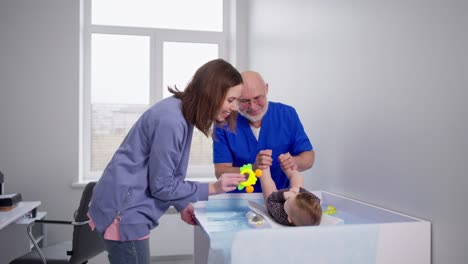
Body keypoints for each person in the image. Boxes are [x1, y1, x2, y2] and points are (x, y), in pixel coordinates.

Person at [88, 59, 247, 264]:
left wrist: (182, 204)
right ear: (212, 92)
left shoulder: (179, 111)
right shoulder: (172, 120)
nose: (234, 108)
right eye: (231, 100)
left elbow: (164, 173)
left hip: (123, 205)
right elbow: (162, 185)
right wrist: (214, 188)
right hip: (124, 212)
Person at [213, 70, 314, 193]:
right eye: (244, 101)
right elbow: (220, 171)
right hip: (239, 199)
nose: (253, 106)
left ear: (266, 89)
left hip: (283, 199)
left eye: (257, 98)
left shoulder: (287, 114)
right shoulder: (224, 122)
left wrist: (294, 162)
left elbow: (309, 157)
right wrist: (252, 168)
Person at [258, 150, 322, 226]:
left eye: (288, 199)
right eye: (296, 195)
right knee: (298, 178)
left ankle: (264, 165)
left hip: (275, 200)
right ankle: (287, 165)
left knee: (267, 184)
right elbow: (316, 199)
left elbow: (271, 199)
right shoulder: (301, 211)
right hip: (296, 204)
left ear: (289, 218)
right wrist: (299, 191)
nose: (292, 194)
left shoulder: (280, 214)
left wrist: (284, 195)